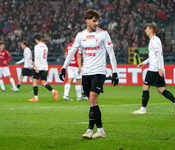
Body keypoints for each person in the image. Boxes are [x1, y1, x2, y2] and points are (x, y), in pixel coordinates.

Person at [59, 9, 119, 139]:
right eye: (94, 21)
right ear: (87, 21)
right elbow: (72, 52)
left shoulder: (103, 34)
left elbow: (111, 53)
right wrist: (64, 67)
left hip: (99, 72)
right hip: (86, 72)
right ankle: (101, 130)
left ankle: (89, 130)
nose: (97, 23)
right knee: (93, 103)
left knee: (92, 98)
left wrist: (115, 71)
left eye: (97, 21)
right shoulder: (81, 35)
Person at [132, 23, 175, 115]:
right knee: (160, 89)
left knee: (145, 87)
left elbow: (159, 54)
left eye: (147, 29)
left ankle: (143, 109)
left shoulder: (155, 40)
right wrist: (144, 63)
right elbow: (153, 56)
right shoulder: (153, 40)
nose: (145, 30)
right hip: (156, 67)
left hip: (154, 68)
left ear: (151, 31)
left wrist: (160, 68)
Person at [28, 33, 58, 102]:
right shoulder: (45, 46)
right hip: (45, 65)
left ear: (36, 40)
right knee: (43, 82)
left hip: (39, 66)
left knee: (34, 80)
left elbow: (37, 57)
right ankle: (53, 91)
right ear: (41, 39)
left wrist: (36, 66)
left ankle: (36, 97)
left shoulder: (37, 46)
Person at [63, 33, 88, 101]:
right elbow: (78, 57)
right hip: (76, 66)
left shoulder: (68, 46)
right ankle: (79, 97)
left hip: (70, 65)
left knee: (69, 80)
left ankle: (65, 95)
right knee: (78, 81)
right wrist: (80, 66)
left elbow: (65, 56)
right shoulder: (77, 46)